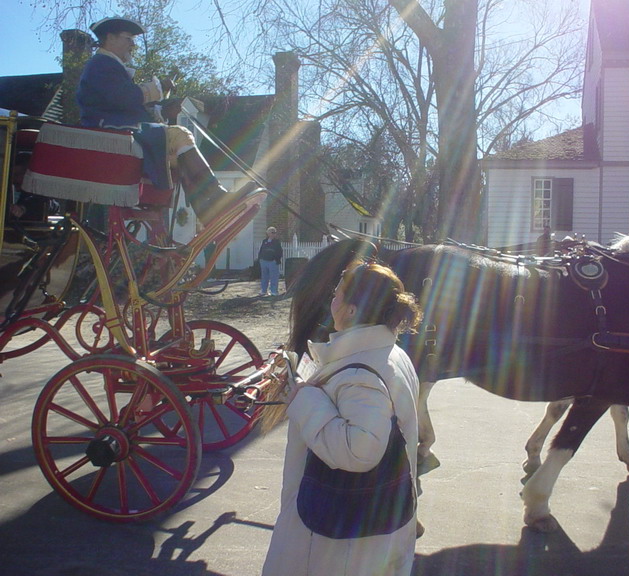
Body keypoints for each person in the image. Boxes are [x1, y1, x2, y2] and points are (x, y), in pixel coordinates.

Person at [262, 261, 422, 576]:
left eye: (337, 294)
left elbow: (359, 449)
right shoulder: (391, 354)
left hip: (338, 541)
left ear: (350, 310)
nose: (332, 301)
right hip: (376, 525)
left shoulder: (360, 373)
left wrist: (304, 397)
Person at [77, 16, 258, 226]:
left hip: (120, 131)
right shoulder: (101, 64)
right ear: (110, 38)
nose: (133, 45)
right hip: (111, 134)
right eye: (128, 38)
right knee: (179, 134)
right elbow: (122, 98)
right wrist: (157, 89)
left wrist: (162, 109)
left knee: (179, 159)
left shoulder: (107, 65)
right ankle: (217, 196)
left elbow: (125, 106)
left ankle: (208, 213)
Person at [257, 226, 283, 296]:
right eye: (272, 232)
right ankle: (263, 290)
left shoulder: (277, 242)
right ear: (268, 233)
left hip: (273, 262)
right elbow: (261, 250)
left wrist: (276, 259)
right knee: (264, 276)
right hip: (264, 261)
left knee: (274, 277)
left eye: (274, 232)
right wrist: (260, 259)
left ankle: (274, 291)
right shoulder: (264, 241)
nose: (274, 234)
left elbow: (280, 252)